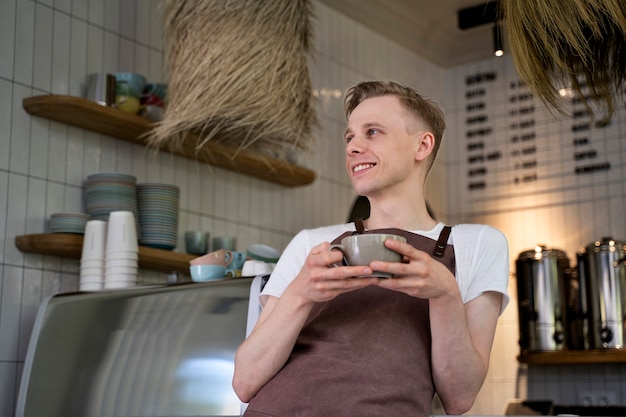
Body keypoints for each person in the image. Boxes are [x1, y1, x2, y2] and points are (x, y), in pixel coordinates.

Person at [232, 80, 510, 416]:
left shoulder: (476, 243)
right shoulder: (312, 242)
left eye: (373, 132)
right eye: (350, 137)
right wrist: (300, 293)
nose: (352, 147)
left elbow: (459, 398)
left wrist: (445, 294)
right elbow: (245, 382)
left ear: (422, 146)